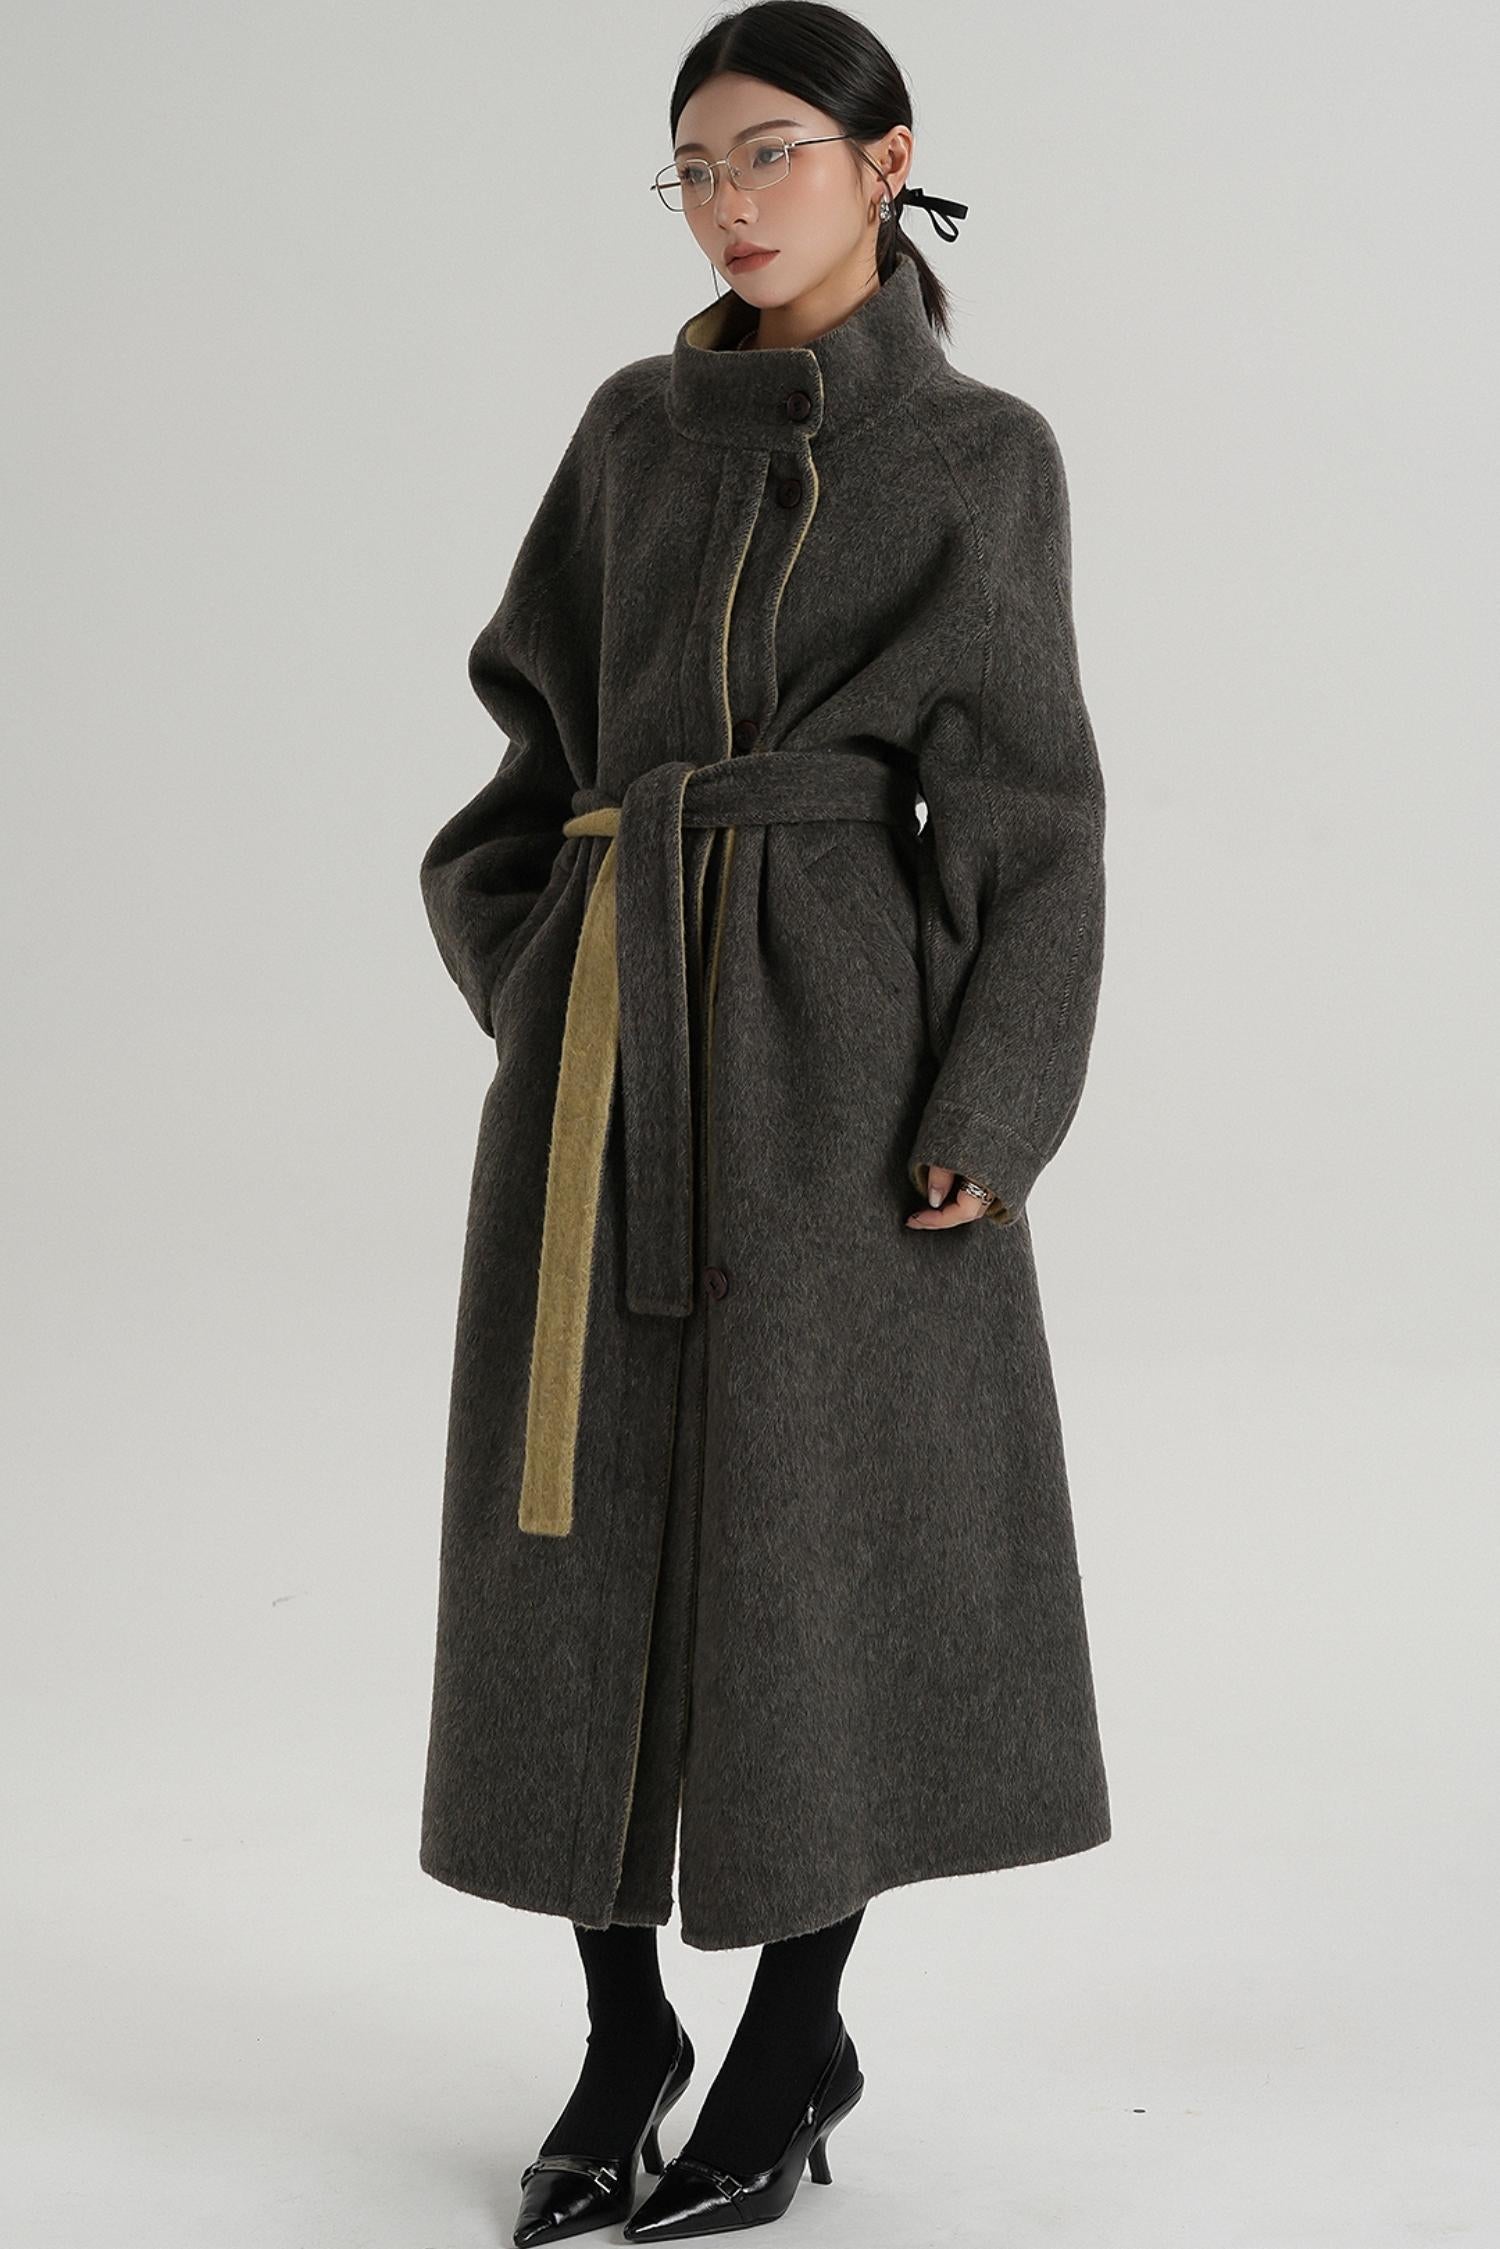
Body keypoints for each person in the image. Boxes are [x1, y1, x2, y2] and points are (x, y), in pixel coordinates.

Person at [416, 5, 1113, 2240]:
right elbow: (524, 746)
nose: (729, 201)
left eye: (773, 152)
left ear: (887, 162)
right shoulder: (632, 432)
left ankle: (793, 2036)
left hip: (840, 1066)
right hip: (608, 1055)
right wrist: (537, 972)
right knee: (574, 1532)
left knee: (825, 1548)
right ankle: (624, 2033)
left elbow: (1028, 806)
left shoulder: (980, 455)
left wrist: (994, 1096)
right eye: (696, 166)